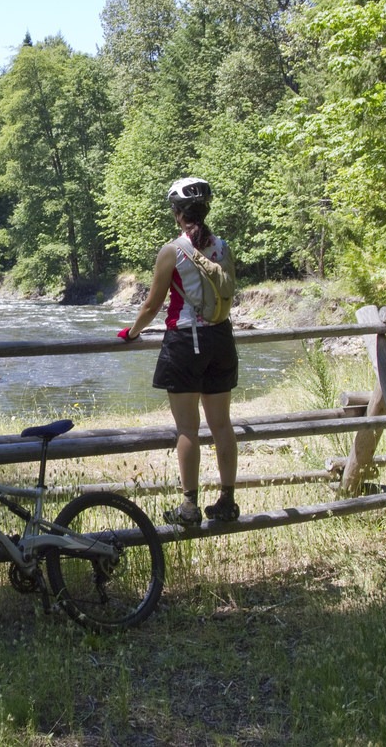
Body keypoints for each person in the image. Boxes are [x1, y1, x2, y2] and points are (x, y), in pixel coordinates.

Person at [115, 177, 240, 526]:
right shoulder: (224, 247)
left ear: (176, 213)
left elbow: (153, 305)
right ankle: (227, 501)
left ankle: (189, 508)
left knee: (187, 428)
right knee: (222, 425)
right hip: (221, 339)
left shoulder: (173, 251)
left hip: (187, 342)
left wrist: (131, 332)